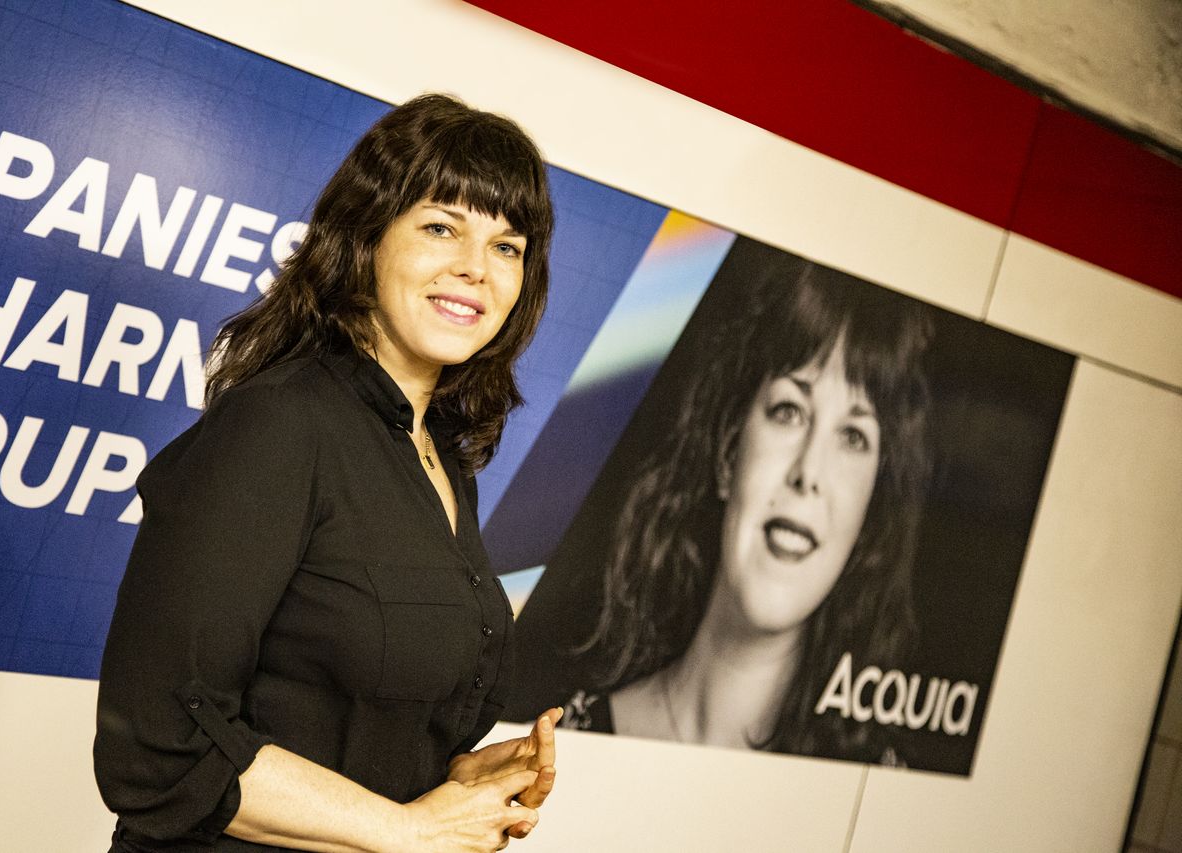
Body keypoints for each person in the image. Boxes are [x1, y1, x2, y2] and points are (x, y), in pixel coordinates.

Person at [95, 94, 563, 853]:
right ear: (367, 236)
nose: (475, 269)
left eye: (507, 246)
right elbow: (157, 743)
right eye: (442, 227)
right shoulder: (277, 423)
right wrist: (408, 827)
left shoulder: (442, 454)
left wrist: (452, 780)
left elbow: (327, 711)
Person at [559, 255, 933, 765]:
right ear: (728, 457)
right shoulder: (571, 738)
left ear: (870, 508)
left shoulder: (879, 781)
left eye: (853, 436)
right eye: (789, 411)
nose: (809, 473)